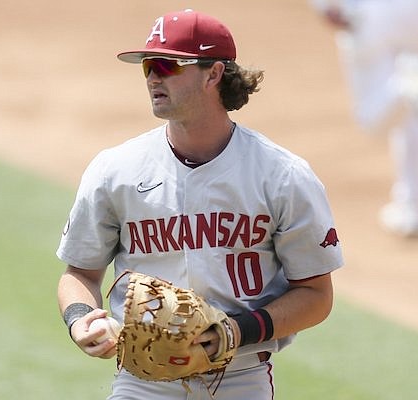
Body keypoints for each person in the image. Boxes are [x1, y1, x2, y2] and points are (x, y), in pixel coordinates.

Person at [56, 9, 343, 399]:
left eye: (168, 64)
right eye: (147, 67)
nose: (154, 76)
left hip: (239, 377)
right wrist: (80, 320)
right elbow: (81, 273)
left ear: (214, 73)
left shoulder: (281, 176)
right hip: (143, 382)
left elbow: (315, 294)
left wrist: (237, 330)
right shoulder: (116, 170)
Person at [310, 0, 418, 236]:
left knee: (371, 117)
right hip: (417, 12)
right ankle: (411, 208)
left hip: (371, 15)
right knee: (411, 116)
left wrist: (323, 6)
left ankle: (404, 86)